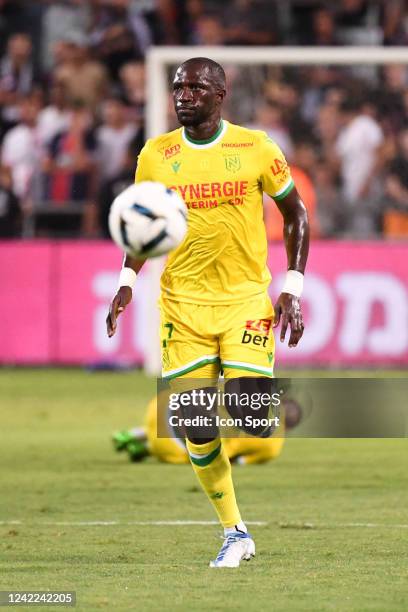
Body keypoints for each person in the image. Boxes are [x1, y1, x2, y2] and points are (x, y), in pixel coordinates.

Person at [106, 57, 309, 568]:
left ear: (220, 93)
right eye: (178, 86)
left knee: (251, 421)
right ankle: (235, 532)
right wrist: (127, 281)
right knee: (195, 423)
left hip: (244, 302)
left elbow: (296, 214)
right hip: (182, 306)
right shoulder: (155, 155)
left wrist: (293, 287)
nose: (184, 94)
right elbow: (141, 227)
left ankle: (258, 399)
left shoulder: (256, 148)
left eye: (196, 86)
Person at [112, 392, 302, 465]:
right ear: (290, 428)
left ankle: (133, 435)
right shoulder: (272, 447)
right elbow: (237, 461)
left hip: (159, 405)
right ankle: (144, 449)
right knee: (199, 449)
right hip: (170, 449)